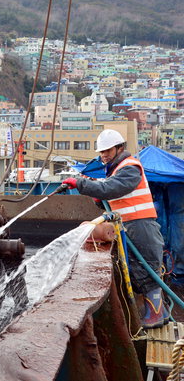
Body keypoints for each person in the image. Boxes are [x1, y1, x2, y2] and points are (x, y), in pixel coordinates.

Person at [62, 129, 168, 329]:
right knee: (137, 269)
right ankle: (157, 313)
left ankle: (156, 314)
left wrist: (81, 183)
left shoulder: (129, 168)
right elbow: (112, 199)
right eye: (101, 151)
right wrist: (99, 199)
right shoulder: (116, 171)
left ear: (120, 148)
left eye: (107, 150)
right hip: (129, 226)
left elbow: (111, 189)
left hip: (141, 225)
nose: (103, 155)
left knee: (147, 269)